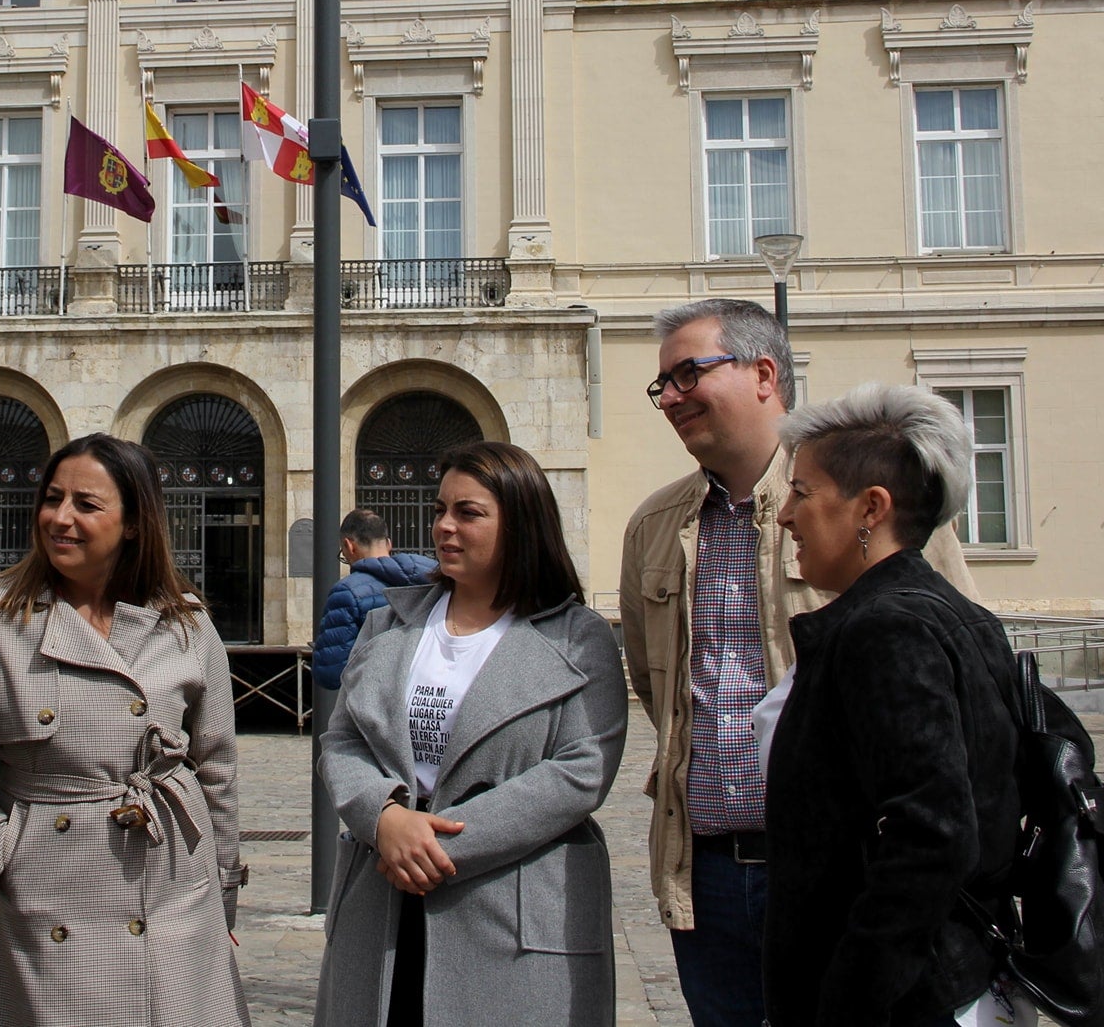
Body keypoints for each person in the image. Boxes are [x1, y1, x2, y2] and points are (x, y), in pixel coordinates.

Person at [619, 298, 980, 1027]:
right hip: (709, 875)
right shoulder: (655, 526)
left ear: (764, 373)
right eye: (663, 384)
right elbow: (654, 683)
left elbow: (962, 661)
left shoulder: (866, 504)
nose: (673, 396)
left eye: (690, 372)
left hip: (849, 871)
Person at [0, 432, 250, 1027]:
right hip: (49, 887)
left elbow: (216, 767)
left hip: (174, 884)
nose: (60, 519)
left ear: (132, 523)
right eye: (52, 499)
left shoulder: (184, 621)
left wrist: (221, 897)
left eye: (86, 505)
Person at [316, 440, 629, 1027]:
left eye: (469, 512)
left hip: (513, 909)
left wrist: (433, 845)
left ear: (521, 524)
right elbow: (343, 739)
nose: (444, 527)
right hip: (381, 903)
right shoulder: (388, 622)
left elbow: (581, 770)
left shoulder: (578, 638)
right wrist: (383, 819)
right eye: (440, 510)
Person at [763, 383, 1021, 1026]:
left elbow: (931, 835)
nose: (785, 515)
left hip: (912, 997)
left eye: (802, 492)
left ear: (870, 509)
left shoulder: (886, 629)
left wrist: (852, 996)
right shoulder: (954, 614)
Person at [314, 508, 437, 689]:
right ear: (388, 543)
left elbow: (331, 673)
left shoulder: (347, 592)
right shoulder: (434, 578)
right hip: (427, 695)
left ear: (349, 546)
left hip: (376, 701)